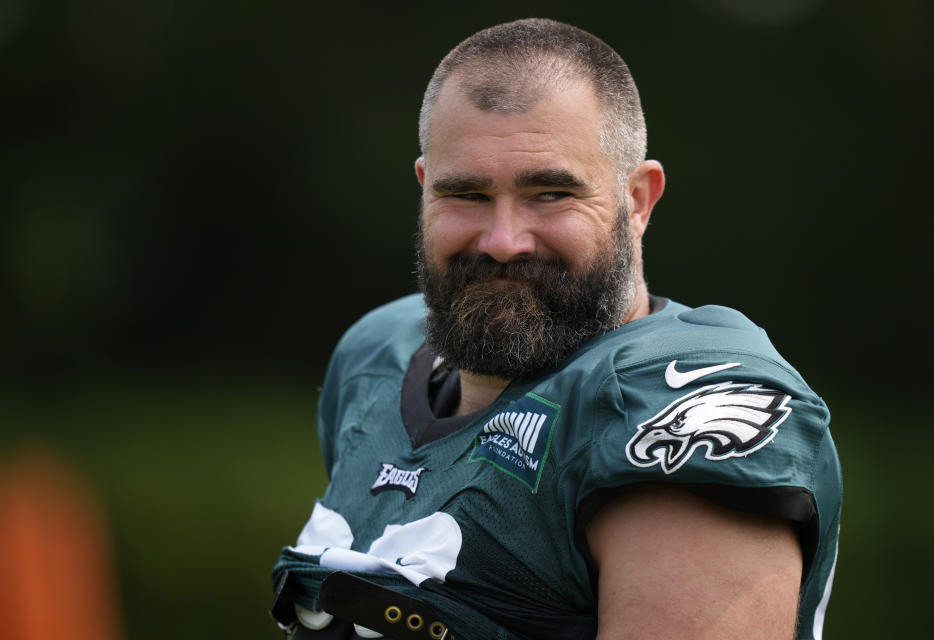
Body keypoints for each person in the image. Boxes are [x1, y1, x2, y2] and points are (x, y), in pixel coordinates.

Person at [271, 18, 841, 640]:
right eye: (467, 194)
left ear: (638, 200)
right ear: (423, 188)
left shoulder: (670, 400)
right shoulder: (378, 354)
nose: (504, 241)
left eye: (550, 193)